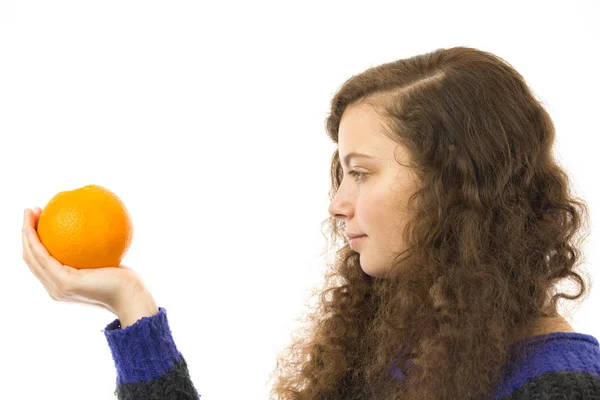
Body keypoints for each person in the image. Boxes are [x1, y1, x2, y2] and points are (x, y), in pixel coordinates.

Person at [21, 46, 600, 399]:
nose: (337, 203)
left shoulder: (557, 388)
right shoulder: (421, 356)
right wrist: (132, 305)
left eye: (362, 173)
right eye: (340, 174)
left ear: (455, 187)